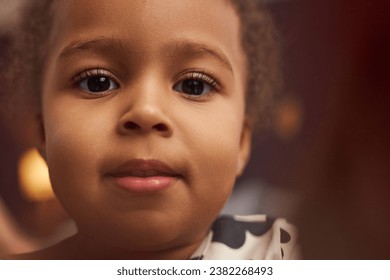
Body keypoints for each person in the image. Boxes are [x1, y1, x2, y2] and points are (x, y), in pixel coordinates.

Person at [0, 0, 298, 259]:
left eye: (194, 85)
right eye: (97, 82)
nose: (146, 111)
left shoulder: (286, 254)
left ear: (241, 142)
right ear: (42, 132)